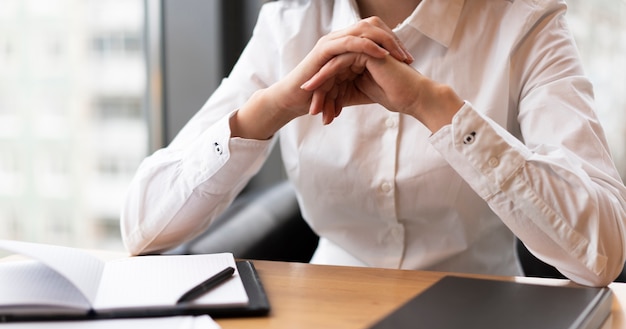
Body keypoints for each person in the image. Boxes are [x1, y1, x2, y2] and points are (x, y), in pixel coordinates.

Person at [121, 0, 626, 287]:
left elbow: (602, 252)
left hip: (485, 316)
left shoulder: (526, 22)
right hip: (321, 328)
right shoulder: (288, 22)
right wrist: (269, 109)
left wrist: (437, 108)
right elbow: (143, 227)